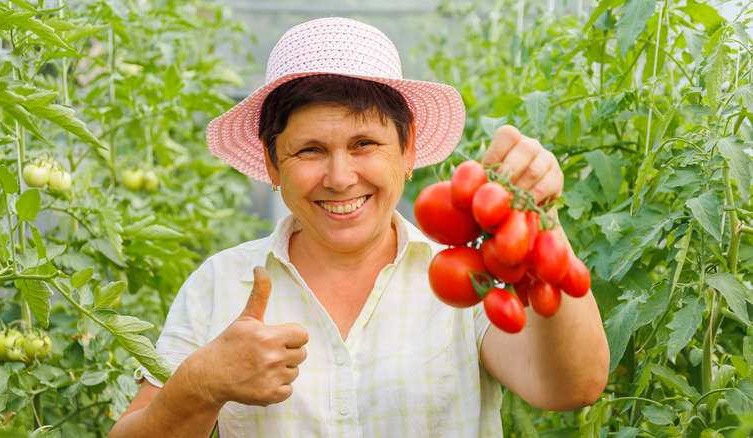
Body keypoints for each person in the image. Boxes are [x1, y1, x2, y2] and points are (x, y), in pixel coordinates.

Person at [109, 17, 609, 437]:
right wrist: (200, 385)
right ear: (271, 161)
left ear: (408, 149)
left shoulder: (466, 277)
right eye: (310, 150)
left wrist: (542, 222)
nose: (340, 178)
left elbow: (571, 386)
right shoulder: (220, 285)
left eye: (365, 144)